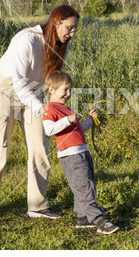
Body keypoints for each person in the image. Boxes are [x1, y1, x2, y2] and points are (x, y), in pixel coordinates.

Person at [0, 5, 80, 221]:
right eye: (69, 28)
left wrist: (55, 107)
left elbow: (51, 82)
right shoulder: (27, 40)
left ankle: (37, 206)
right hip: (5, 90)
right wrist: (41, 108)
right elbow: (18, 82)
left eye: (74, 29)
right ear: (57, 22)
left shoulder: (58, 45)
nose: (72, 33)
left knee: (40, 145)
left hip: (33, 93)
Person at [42, 71, 120, 235]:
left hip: (81, 151)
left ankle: (83, 218)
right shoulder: (49, 108)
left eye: (70, 90)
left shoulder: (65, 108)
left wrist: (89, 121)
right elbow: (49, 130)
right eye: (65, 90)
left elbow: (78, 131)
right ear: (51, 90)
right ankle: (98, 219)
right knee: (84, 187)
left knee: (86, 183)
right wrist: (68, 119)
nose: (68, 94)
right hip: (70, 155)